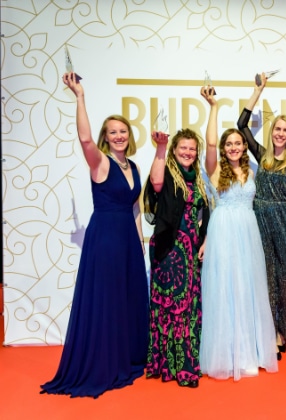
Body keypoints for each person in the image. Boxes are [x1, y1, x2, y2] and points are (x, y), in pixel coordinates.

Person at [41, 72, 148, 398]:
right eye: (112, 132)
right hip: (105, 239)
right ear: (105, 137)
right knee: (107, 300)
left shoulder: (134, 166)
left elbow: (136, 208)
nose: (118, 136)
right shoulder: (99, 162)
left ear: (130, 136)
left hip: (128, 241)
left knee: (127, 299)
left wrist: (140, 242)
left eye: (123, 131)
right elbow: (85, 140)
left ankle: (127, 356)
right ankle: (104, 363)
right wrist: (80, 96)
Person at [199, 86, 278, 380]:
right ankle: (225, 354)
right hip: (223, 232)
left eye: (237, 143)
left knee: (246, 288)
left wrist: (257, 91)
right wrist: (214, 107)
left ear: (244, 146)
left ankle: (247, 352)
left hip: (247, 233)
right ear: (223, 148)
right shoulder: (215, 169)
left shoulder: (252, 171)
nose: (233, 147)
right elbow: (209, 142)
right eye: (228, 144)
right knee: (224, 288)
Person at [237, 73, 286, 360]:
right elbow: (241, 125)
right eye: (277, 128)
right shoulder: (262, 155)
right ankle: (266, 334)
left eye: (285, 130)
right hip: (259, 221)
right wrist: (258, 91)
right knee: (264, 278)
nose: (280, 133)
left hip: (282, 221)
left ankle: (280, 333)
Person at [143, 126, 210, 388]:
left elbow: (203, 213)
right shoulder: (168, 172)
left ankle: (185, 360)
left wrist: (204, 239)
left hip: (190, 250)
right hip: (169, 248)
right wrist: (160, 148)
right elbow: (156, 184)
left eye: (192, 148)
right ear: (174, 150)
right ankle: (177, 367)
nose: (188, 152)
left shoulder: (198, 177)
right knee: (172, 307)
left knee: (188, 307)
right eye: (183, 147)